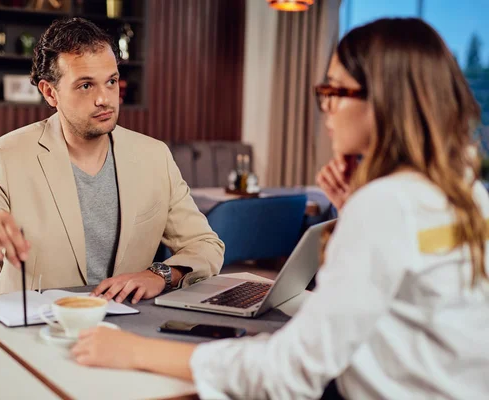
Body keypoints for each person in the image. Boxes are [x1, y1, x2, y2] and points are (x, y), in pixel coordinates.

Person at [70, 18, 489, 399]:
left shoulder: (386, 206)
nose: (324, 109)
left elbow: (291, 370)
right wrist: (352, 212)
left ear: (383, 102)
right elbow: (403, 309)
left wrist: (138, 351)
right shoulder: (468, 194)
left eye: (334, 91)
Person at [0, 17, 224, 301]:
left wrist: (160, 275)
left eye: (111, 81)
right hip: (36, 330)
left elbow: (205, 245)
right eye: (86, 86)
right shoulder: (4, 157)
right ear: (50, 92)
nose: (105, 98)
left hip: (129, 328)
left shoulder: (154, 156)